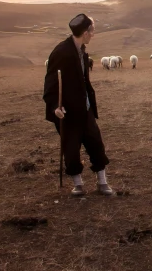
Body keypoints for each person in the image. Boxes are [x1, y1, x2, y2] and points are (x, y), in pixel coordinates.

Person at [43, 13, 113, 196]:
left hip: (85, 109)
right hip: (67, 112)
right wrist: (54, 107)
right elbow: (50, 82)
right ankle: (78, 184)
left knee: (96, 144)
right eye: (92, 31)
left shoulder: (81, 50)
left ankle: (102, 183)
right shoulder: (61, 53)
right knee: (71, 149)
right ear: (85, 32)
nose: (94, 35)